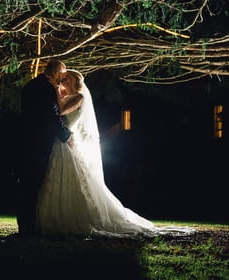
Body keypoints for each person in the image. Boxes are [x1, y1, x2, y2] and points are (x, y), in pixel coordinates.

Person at [36, 69, 195, 238]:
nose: (62, 81)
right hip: (61, 144)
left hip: (67, 144)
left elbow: (59, 112)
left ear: (73, 81)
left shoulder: (79, 97)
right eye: (62, 78)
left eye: (65, 79)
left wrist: (54, 90)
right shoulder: (65, 97)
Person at [16, 59, 74, 237]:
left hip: (26, 139)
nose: (62, 79)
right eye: (62, 75)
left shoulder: (30, 85)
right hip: (40, 141)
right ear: (56, 72)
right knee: (35, 181)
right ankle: (29, 226)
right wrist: (66, 135)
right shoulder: (47, 88)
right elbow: (53, 115)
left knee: (25, 182)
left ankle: (24, 224)